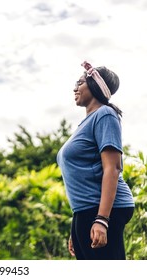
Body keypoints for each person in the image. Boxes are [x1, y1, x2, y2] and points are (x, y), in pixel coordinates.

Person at [56, 61, 135, 260]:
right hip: (86, 211)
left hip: (105, 209)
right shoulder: (88, 122)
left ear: (94, 86)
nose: (75, 87)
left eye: (79, 82)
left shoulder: (105, 115)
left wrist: (102, 220)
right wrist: (77, 225)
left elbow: (113, 168)